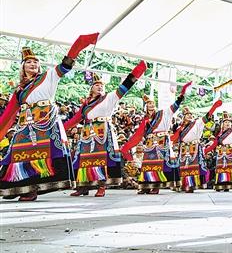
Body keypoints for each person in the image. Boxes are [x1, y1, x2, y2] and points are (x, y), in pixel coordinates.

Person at [0, 34, 99, 201]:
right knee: (19, 154)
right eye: (29, 62)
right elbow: (8, 114)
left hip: (46, 123)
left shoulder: (48, 76)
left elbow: (66, 65)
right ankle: (17, 186)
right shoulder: (19, 90)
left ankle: (32, 190)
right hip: (25, 125)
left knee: (42, 156)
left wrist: (80, 44)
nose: (33, 64)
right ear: (23, 67)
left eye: (36, 62)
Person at [66, 62, 147, 197]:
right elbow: (75, 120)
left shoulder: (109, 98)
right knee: (84, 159)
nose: (100, 87)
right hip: (87, 134)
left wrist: (137, 71)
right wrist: (60, 128)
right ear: (91, 88)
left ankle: (101, 186)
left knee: (102, 159)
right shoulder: (86, 105)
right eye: (97, 85)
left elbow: (125, 86)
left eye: (102, 85)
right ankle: (83, 187)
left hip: (103, 131)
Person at [121, 81, 192, 194]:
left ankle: (156, 186)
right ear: (146, 107)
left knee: (159, 163)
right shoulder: (145, 119)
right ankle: (146, 185)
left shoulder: (163, 113)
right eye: (148, 104)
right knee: (147, 164)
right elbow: (139, 134)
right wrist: (127, 146)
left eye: (152, 103)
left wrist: (181, 94)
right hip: (150, 142)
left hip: (161, 141)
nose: (151, 105)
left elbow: (175, 105)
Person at [171, 100, 221, 192]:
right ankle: (182, 184)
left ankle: (191, 184)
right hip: (183, 148)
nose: (189, 116)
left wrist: (214, 107)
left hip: (194, 147)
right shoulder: (180, 127)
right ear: (183, 117)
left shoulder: (197, 123)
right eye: (187, 115)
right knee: (183, 166)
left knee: (192, 166)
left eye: (190, 114)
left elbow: (207, 116)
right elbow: (174, 138)